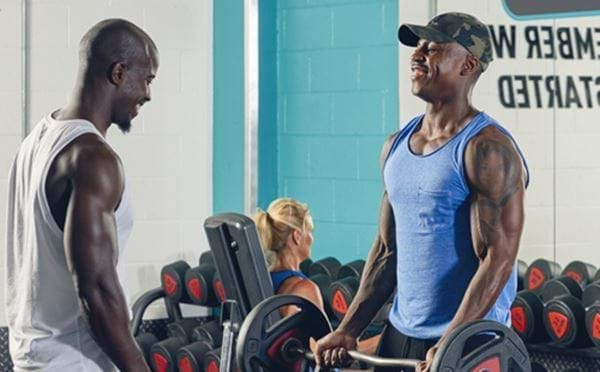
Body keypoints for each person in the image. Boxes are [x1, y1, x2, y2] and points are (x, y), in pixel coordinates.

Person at [314, 12, 529, 372]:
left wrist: (451, 344)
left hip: (469, 340)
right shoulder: (395, 146)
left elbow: (498, 259)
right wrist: (347, 330)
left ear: (467, 65)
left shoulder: (488, 149)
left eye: (433, 48)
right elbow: (387, 250)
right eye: (417, 47)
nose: (417, 55)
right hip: (403, 332)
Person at [5, 19, 158, 371]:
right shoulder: (94, 158)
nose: (148, 94)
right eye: (147, 79)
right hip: (73, 362)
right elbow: (97, 290)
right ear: (119, 72)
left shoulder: (37, 141)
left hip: (33, 357)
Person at [254, 198, 381, 355]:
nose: (312, 239)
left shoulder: (264, 281)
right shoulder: (304, 289)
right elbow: (326, 354)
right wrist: (383, 340)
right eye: (310, 232)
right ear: (297, 236)